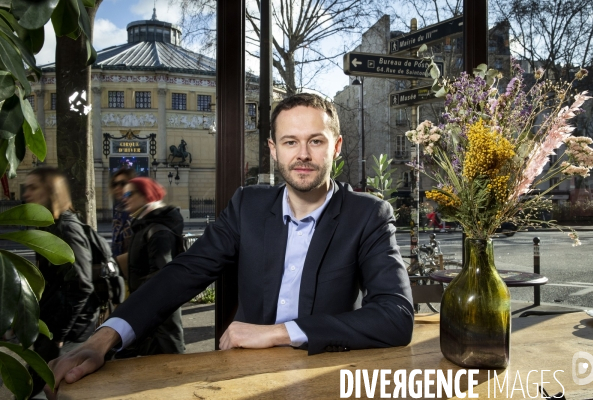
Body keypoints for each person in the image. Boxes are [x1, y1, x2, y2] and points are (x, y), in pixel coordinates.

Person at [45, 93, 414, 398]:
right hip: (242, 380)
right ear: (273, 149)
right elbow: (184, 272)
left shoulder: (367, 215)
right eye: (290, 142)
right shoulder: (247, 206)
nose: (302, 154)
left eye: (315, 141)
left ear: (335, 146)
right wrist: (103, 338)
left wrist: (277, 333)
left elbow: (396, 316)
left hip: (323, 380)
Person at [23, 167, 98, 397]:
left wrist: (59, 336)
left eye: (33, 188)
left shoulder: (66, 228)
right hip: (54, 330)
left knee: (48, 389)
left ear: (51, 191)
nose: (26, 194)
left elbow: (81, 284)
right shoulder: (50, 226)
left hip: (68, 334)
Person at [116, 177, 186, 356]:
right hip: (147, 315)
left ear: (145, 195)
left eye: (129, 193)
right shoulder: (144, 226)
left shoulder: (157, 230)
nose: (125, 198)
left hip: (159, 322)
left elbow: (163, 276)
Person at [110, 168, 136, 258]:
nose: (117, 188)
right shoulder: (119, 212)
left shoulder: (135, 212)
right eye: (115, 184)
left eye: (123, 183)